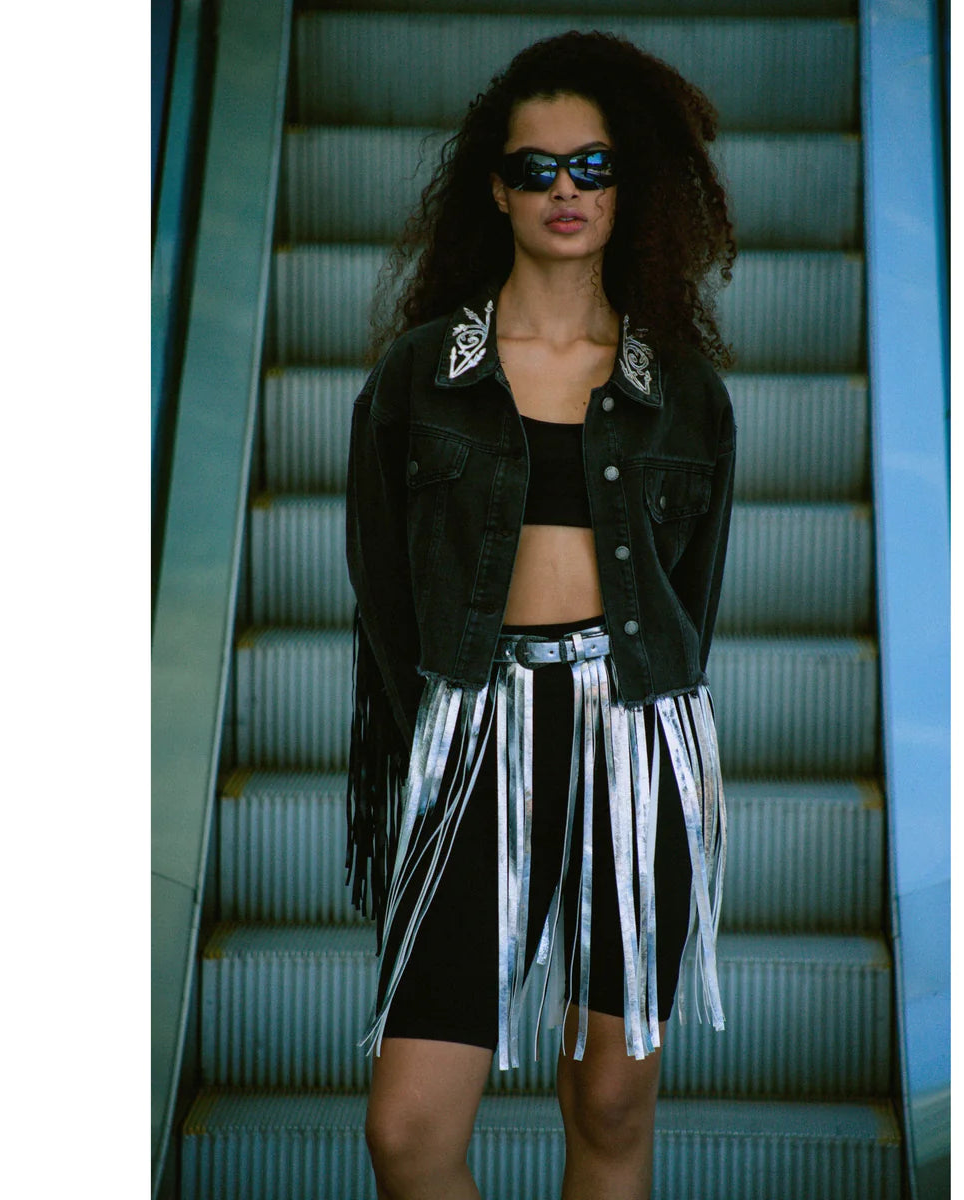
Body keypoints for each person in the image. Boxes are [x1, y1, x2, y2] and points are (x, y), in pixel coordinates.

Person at [343, 30, 737, 1200]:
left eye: (596, 166)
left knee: (611, 1099)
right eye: (541, 168)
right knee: (411, 1133)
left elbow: (690, 602)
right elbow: (381, 590)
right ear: (498, 187)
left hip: (639, 744)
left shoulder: (685, 394)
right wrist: (456, 715)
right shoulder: (423, 375)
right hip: (477, 739)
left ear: (632, 185)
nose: (568, 191)